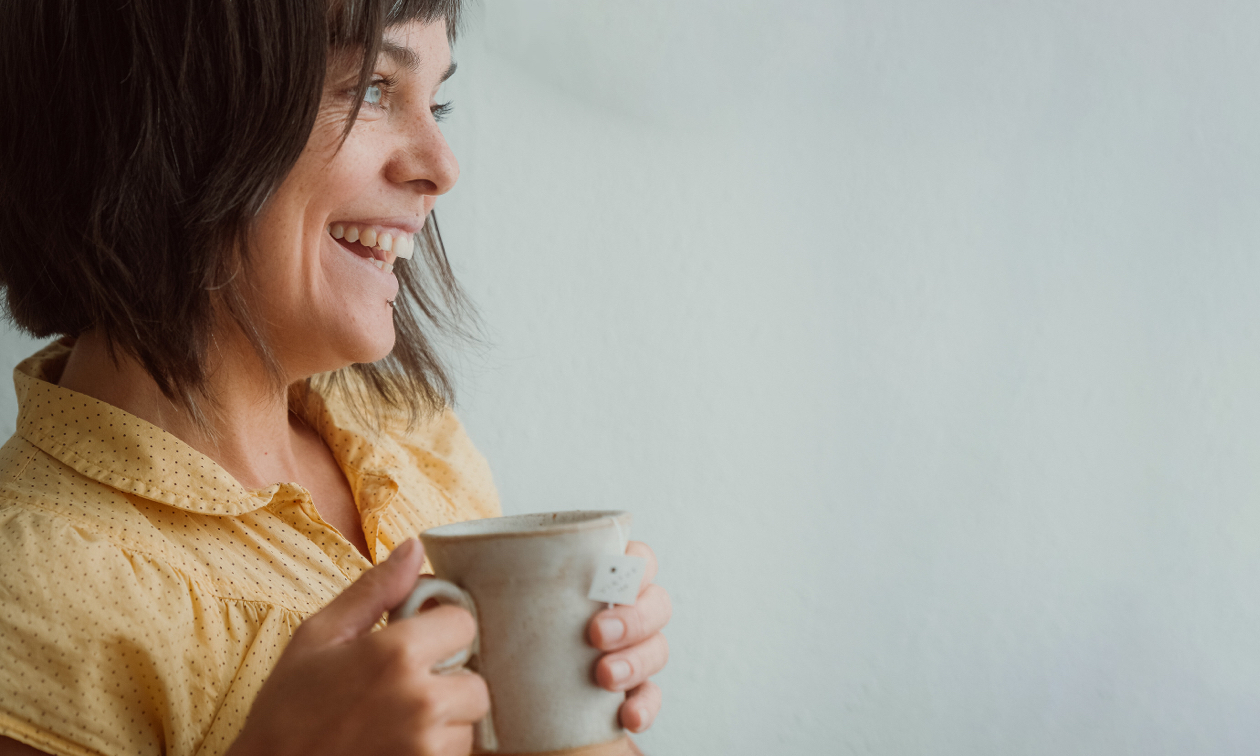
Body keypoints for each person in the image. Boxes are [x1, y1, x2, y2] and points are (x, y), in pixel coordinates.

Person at [0, 0, 670, 754]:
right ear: (166, 115)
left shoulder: (414, 441)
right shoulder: (30, 596)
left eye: (437, 100)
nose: (443, 167)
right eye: (374, 89)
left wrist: (579, 705)